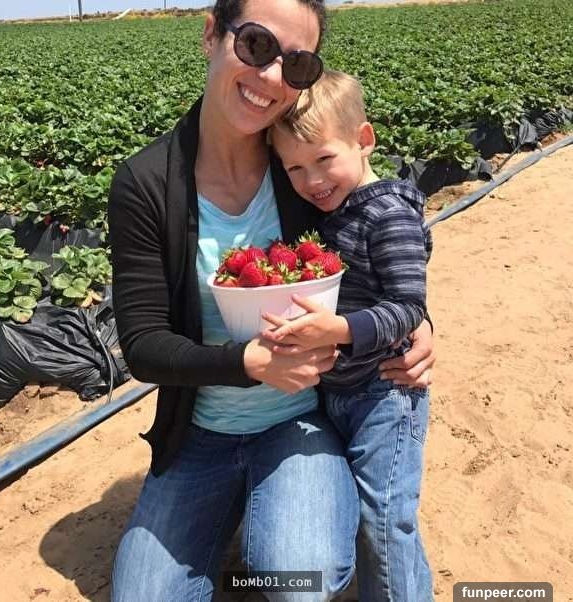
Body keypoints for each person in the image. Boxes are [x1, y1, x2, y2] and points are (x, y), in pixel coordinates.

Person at [108, 1, 435, 600]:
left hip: (301, 419)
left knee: (299, 581)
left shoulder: (299, 166)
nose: (272, 76)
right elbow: (144, 346)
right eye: (256, 45)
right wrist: (248, 363)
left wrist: (419, 321)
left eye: (298, 63)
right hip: (202, 432)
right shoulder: (147, 183)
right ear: (212, 34)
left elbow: (378, 239)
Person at [264, 70, 434, 601]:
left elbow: (408, 306)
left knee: (384, 517)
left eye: (323, 159)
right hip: (340, 391)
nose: (311, 180)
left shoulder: (388, 216)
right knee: (375, 512)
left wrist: (338, 330)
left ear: (364, 140)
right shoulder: (333, 212)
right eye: (294, 167)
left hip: (386, 393)